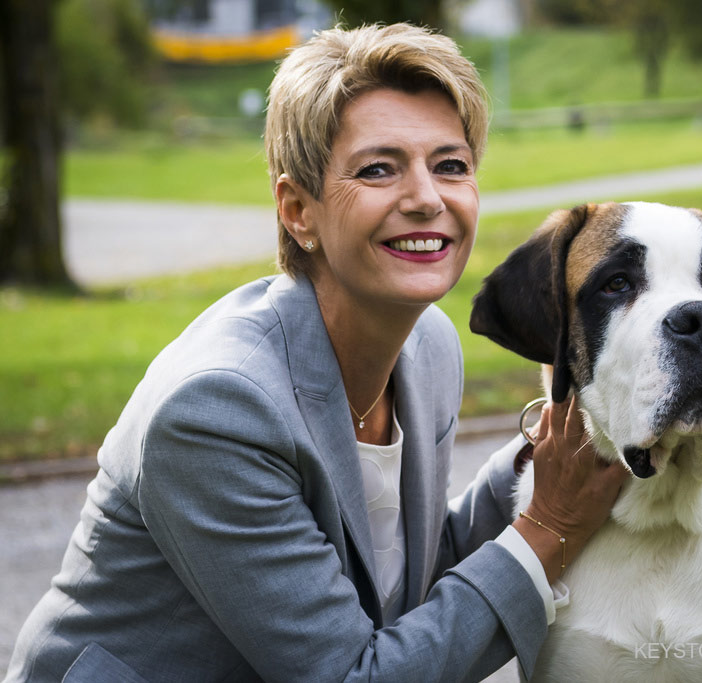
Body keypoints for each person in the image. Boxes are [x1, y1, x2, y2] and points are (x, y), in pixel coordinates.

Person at [4, 22, 628, 683]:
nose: (425, 198)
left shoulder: (430, 346)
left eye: (451, 165)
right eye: (378, 169)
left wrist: (556, 451)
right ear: (298, 210)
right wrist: (549, 528)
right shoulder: (216, 410)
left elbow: (403, 585)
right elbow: (353, 672)